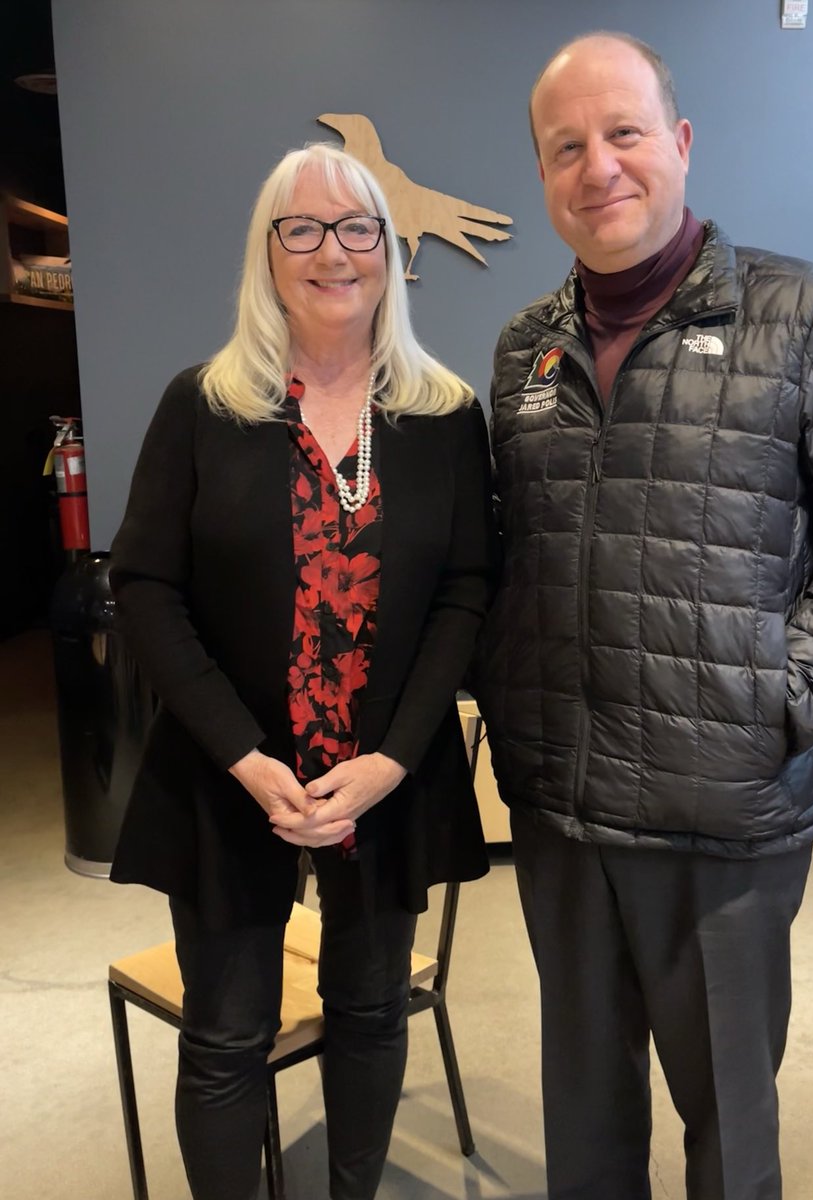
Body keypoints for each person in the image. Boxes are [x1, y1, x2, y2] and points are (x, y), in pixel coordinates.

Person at [476, 31, 813, 1200]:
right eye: (566, 147)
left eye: (624, 134)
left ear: (678, 145)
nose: (600, 168)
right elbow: (509, 547)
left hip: (722, 811)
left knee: (729, 1125)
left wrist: (793, 688)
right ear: (542, 176)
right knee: (584, 1126)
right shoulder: (525, 349)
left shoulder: (803, 314)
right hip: (562, 807)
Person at [109, 142, 496, 1200]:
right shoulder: (204, 405)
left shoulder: (446, 416)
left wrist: (394, 760)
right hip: (235, 779)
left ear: (390, 250)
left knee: (372, 1013)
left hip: (386, 779)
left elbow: (468, 589)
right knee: (227, 1037)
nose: (334, 252)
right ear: (268, 254)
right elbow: (143, 586)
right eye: (303, 229)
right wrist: (239, 752)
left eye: (358, 227)